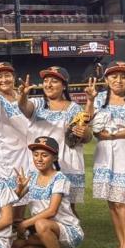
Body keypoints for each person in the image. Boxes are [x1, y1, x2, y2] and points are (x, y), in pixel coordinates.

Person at [84, 62, 125, 248]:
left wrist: (113, 135)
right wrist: (90, 100)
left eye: (123, 77)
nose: (118, 80)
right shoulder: (100, 98)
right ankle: (121, 243)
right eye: (114, 76)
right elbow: (90, 124)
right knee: (111, 202)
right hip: (104, 154)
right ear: (106, 79)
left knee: (122, 201)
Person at [11, 137, 83, 248]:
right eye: (36, 154)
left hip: (68, 230)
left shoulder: (59, 178)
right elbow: (12, 200)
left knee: (40, 223)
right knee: (13, 244)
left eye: (44, 155)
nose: (39, 159)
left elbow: (52, 211)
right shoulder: (33, 177)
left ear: (55, 157)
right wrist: (19, 190)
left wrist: (25, 224)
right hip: (45, 229)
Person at [18, 66, 91, 205]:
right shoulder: (37, 103)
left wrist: (84, 133)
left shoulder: (74, 108)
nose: (49, 84)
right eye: (46, 80)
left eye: (54, 81)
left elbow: (87, 137)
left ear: (64, 86)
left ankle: (71, 228)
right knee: (40, 205)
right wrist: (22, 96)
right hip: (42, 162)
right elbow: (24, 108)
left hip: (67, 163)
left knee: (68, 208)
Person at [0, 62, 32, 201]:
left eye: (7, 75)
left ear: (14, 77)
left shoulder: (21, 96)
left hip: (25, 155)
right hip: (5, 158)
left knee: (23, 201)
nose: (4, 80)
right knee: (8, 202)